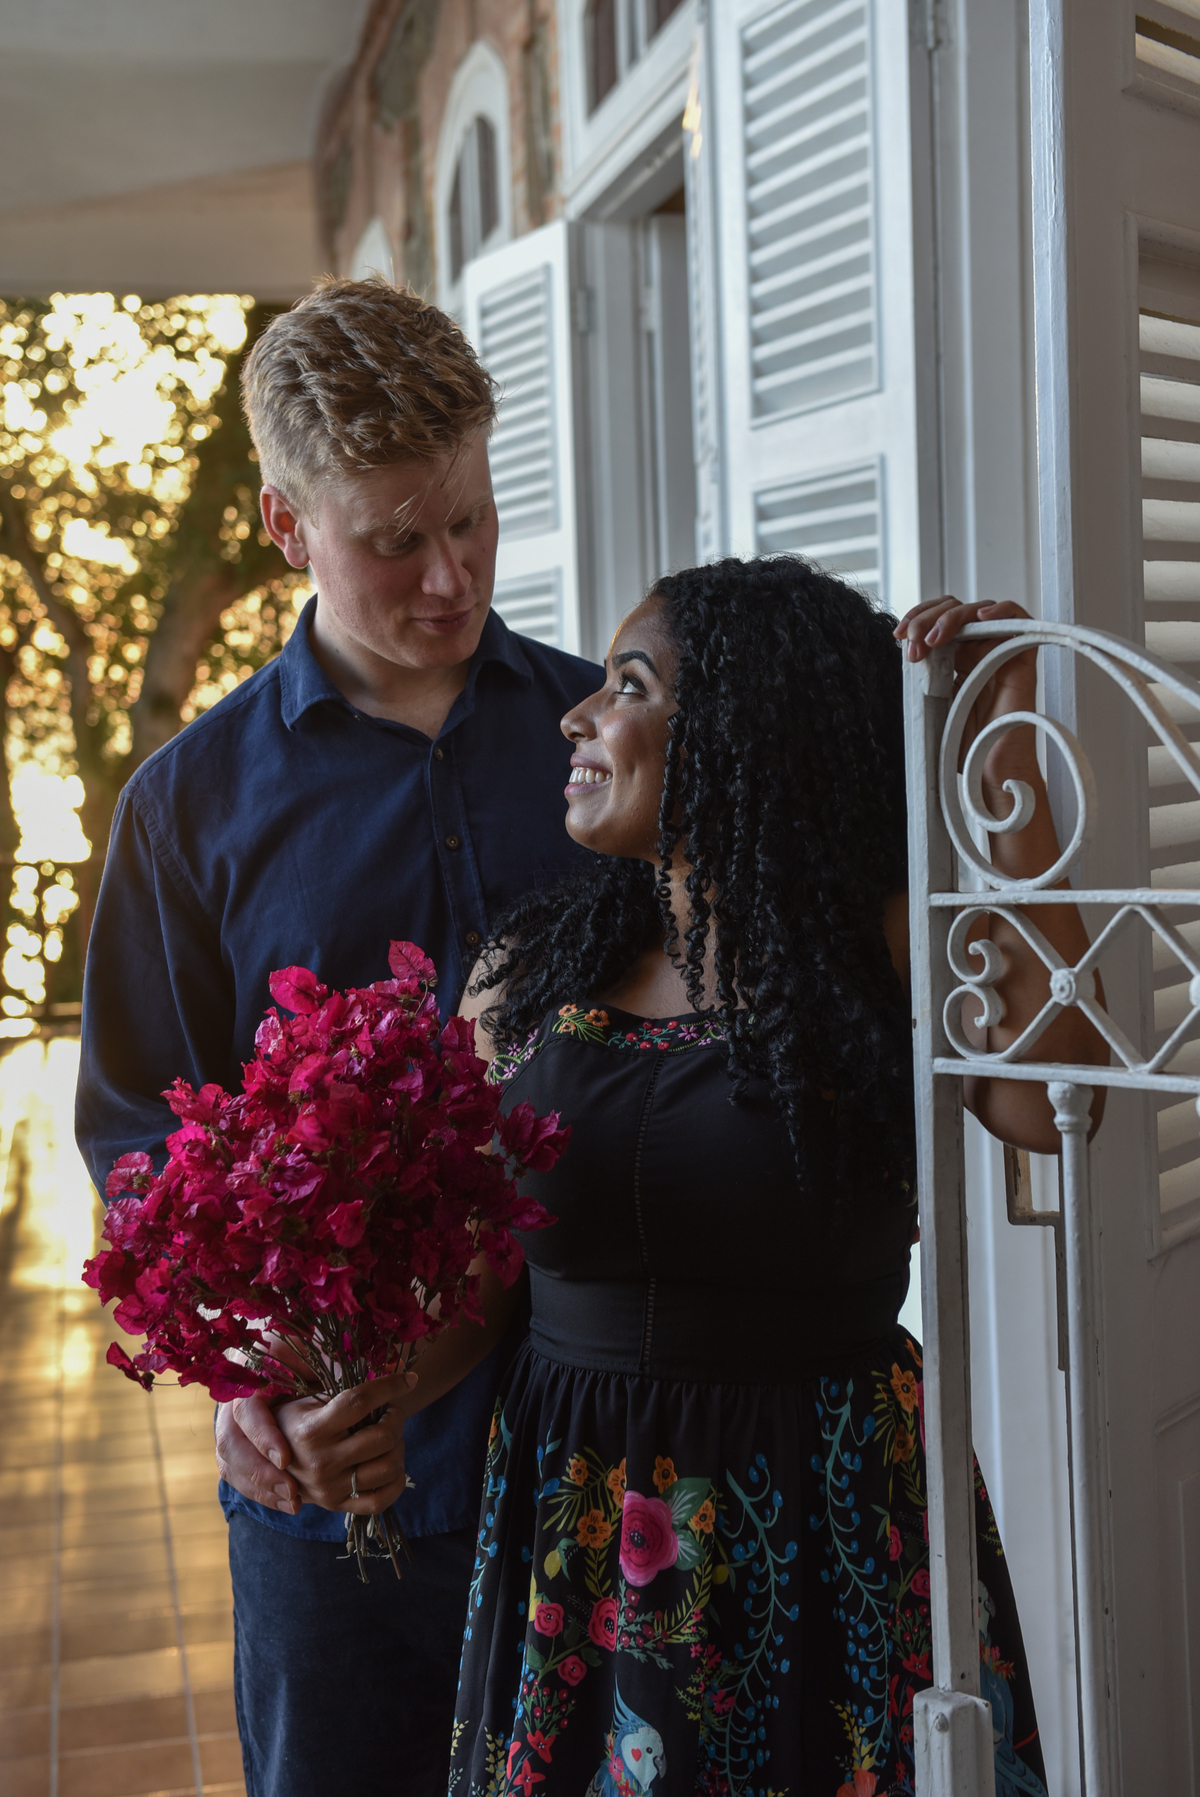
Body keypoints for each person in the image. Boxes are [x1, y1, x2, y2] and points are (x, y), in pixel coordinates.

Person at [371, 558, 1101, 1795]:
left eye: (629, 687)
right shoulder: (529, 972)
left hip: (827, 1500)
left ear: (743, 728)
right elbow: (480, 1278)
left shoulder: (889, 945)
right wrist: (361, 1395)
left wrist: (1003, 747)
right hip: (581, 1505)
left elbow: (1053, 1099)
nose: (577, 715)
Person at [74, 277, 601, 1797]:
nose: (451, 576)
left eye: (472, 520)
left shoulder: (609, 740)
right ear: (286, 527)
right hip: (334, 1494)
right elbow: (141, 1139)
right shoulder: (185, 808)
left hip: (607, 1460)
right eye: (394, 540)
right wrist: (252, 1378)